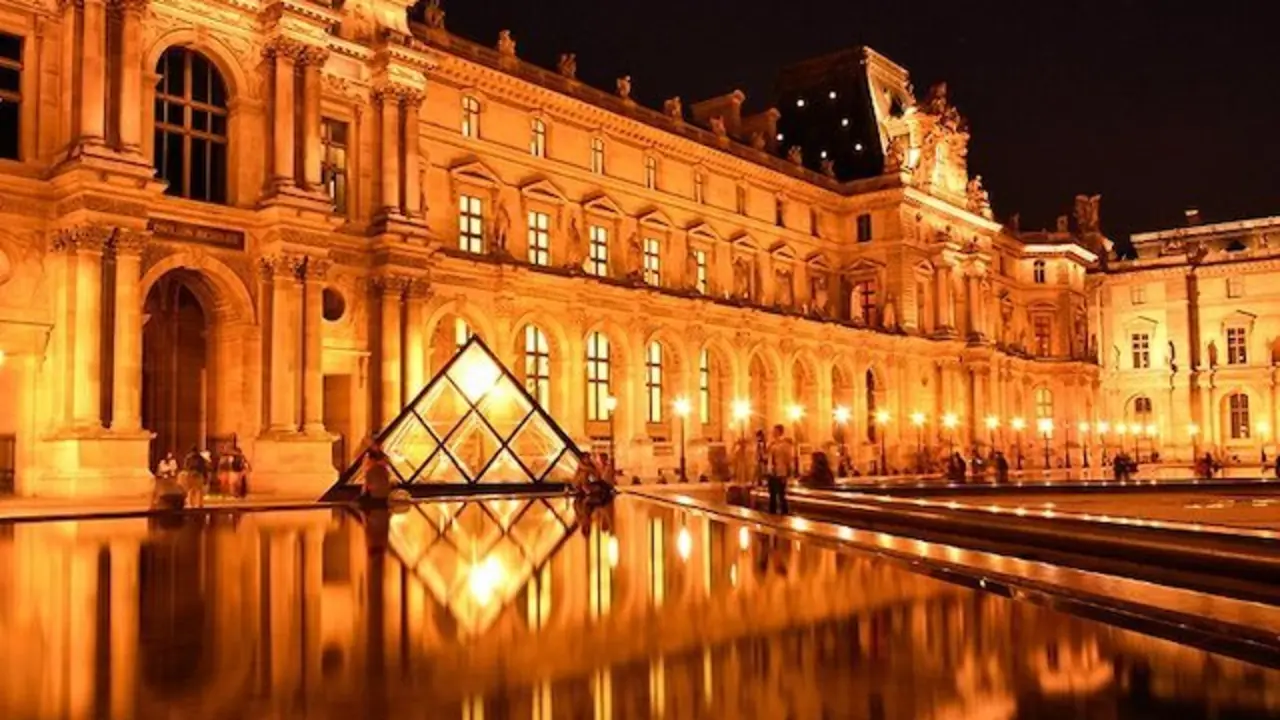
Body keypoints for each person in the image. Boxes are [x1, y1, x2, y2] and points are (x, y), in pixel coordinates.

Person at [765, 424, 795, 514]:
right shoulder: (770, 444)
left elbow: (788, 458)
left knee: (781, 495)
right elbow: (767, 457)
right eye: (773, 431)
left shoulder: (785, 444)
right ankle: (772, 513)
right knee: (772, 495)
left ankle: (784, 513)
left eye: (775, 431)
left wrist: (789, 471)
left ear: (780, 432)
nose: (773, 433)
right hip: (771, 472)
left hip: (780, 472)